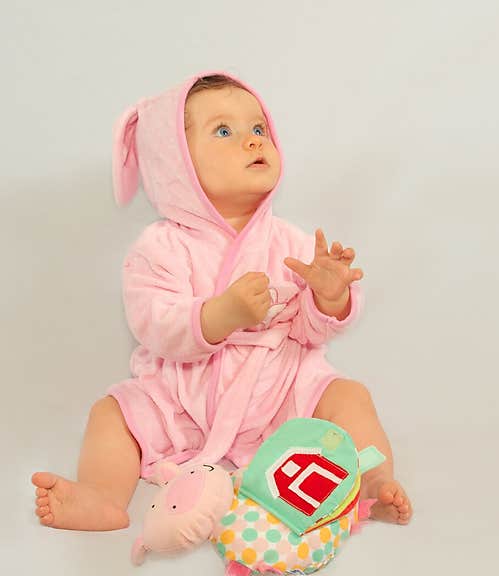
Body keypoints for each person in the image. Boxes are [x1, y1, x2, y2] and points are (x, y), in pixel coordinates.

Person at [31, 71, 412, 531]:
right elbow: (153, 324)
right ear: (176, 166)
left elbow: (308, 333)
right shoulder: (159, 248)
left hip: (277, 393)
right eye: (224, 132)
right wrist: (220, 314)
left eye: (258, 129)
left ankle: (373, 481)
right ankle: (102, 496)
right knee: (112, 413)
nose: (252, 142)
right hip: (184, 396)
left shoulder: (290, 240)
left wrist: (328, 298)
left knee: (348, 395)